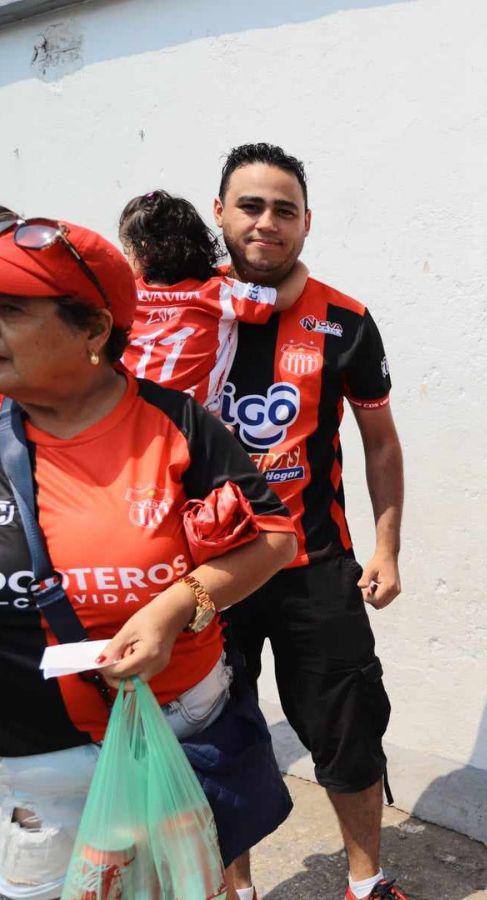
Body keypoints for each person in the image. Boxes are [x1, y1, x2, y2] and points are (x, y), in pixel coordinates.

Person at [0, 213, 297, 900]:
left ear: (94, 331)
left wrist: (177, 606)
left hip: (173, 736)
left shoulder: (179, 426)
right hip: (35, 774)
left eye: (11, 311)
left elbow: (274, 537)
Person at [210, 143, 407, 900]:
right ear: (220, 213)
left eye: (283, 209)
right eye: (250, 206)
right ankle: (237, 888)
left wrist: (386, 548)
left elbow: (381, 443)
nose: (266, 222)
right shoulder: (180, 314)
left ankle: (367, 881)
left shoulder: (347, 320)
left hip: (316, 568)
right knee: (220, 735)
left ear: (306, 222)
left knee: (349, 727)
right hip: (209, 574)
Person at [118, 189, 309, 411]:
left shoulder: (128, 294)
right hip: (187, 421)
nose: (126, 259)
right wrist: (300, 268)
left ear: (143, 249)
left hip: (128, 410)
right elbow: (284, 298)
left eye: (126, 251)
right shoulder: (218, 292)